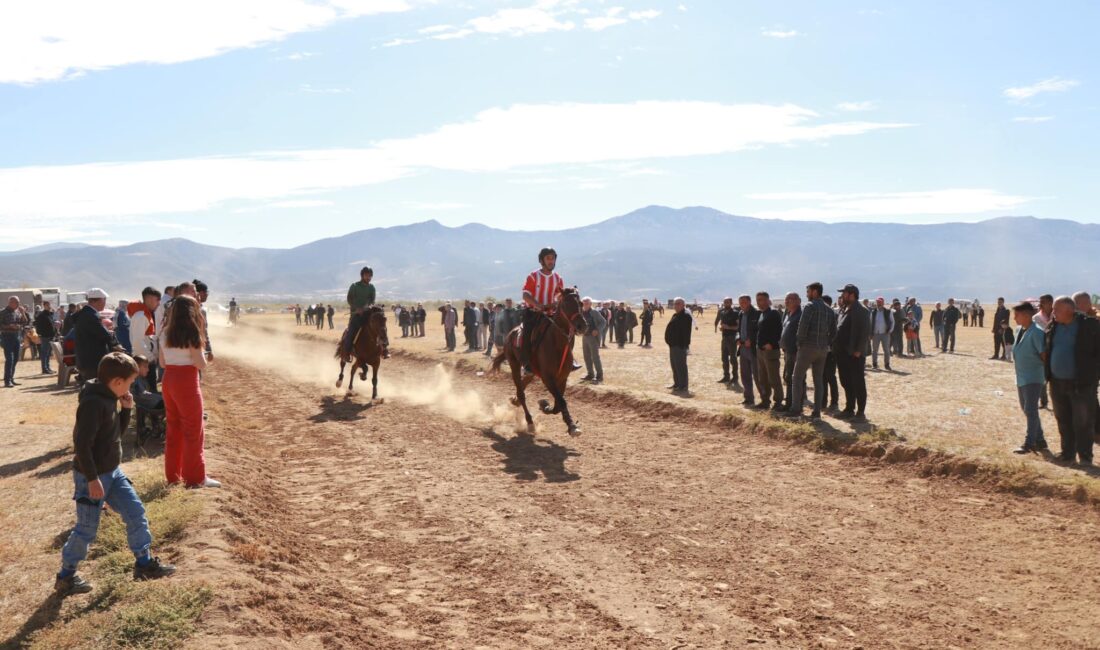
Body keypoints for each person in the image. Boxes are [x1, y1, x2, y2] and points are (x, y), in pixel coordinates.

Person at [55, 352, 176, 596]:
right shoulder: (93, 404)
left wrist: (126, 410)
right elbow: (81, 445)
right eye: (131, 382)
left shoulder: (111, 397)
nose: (133, 386)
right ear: (118, 382)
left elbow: (114, 437)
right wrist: (91, 479)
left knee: (136, 512)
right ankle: (66, 576)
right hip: (93, 477)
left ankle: (143, 564)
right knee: (87, 529)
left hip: (113, 473)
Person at [159, 295, 219, 487]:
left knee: (173, 428)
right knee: (193, 430)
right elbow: (200, 364)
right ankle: (196, 478)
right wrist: (205, 358)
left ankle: (173, 477)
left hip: (169, 379)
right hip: (187, 381)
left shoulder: (164, 332)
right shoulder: (191, 333)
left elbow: (161, 362)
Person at [1045, 295, 1100, 467]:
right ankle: (1067, 454)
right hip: (1057, 382)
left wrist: (1093, 376)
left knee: (1083, 421)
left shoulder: (1089, 326)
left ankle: (1085, 457)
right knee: (1063, 419)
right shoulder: (1053, 326)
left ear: (1070, 310)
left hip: (1081, 384)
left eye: (1057, 309)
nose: (1053, 312)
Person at [787, 283, 836, 419]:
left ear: (815, 292)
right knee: (818, 380)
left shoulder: (810, 306)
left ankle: (796, 409)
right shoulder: (829, 310)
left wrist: (799, 344)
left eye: (808, 291)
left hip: (808, 347)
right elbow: (834, 332)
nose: (807, 294)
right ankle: (817, 412)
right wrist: (826, 343)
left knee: (796, 377)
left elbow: (802, 327)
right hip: (823, 349)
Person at [520, 247, 565, 376]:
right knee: (527, 333)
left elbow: (559, 296)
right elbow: (526, 295)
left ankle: (569, 360)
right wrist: (539, 305)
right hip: (533, 313)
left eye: (553, 258)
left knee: (566, 332)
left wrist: (556, 303)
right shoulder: (533, 276)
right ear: (541, 261)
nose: (551, 261)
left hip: (551, 314)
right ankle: (527, 364)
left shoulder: (558, 278)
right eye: (548, 258)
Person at [1010, 302, 1048, 454]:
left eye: (1017, 315)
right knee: (1026, 409)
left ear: (1026, 315)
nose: (1014, 318)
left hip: (1033, 377)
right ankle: (1040, 440)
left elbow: (1044, 356)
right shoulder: (1019, 330)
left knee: (1030, 410)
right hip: (1021, 377)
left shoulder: (1038, 333)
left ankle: (1029, 443)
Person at [834, 284, 870, 422]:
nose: (842, 296)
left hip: (854, 354)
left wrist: (858, 350)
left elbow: (864, 332)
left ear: (852, 295)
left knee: (858, 382)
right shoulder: (844, 309)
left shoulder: (861, 310)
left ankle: (860, 413)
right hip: (842, 353)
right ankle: (849, 409)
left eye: (844, 293)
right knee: (846, 381)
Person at [74, 288, 124, 383]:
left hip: (86, 359)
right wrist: (116, 344)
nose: (105, 303)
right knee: (94, 390)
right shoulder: (90, 315)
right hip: (92, 360)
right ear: (97, 301)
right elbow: (104, 335)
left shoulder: (86, 313)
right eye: (104, 300)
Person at [344, 267, 389, 358]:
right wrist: (357, 308)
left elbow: (372, 301)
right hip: (356, 315)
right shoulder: (354, 286)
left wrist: (369, 306)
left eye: (370, 276)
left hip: (367, 314)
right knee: (351, 332)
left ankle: (384, 349)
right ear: (362, 275)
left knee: (381, 327)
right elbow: (349, 299)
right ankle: (347, 353)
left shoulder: (372, 287)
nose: (368, 277)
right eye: (366, 275)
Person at [129, 287, 161, 393]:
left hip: (145, 359)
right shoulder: (141, 316)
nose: (158, 303)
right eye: (157, 300)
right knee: (148, 392)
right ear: (150, 299)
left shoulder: (144, 314)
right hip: (144, 361)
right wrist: (151, 358)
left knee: (148, 390)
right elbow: (138, 342)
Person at [755, 292, 783, 410]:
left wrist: (771, 344)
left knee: (773, 378)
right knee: (763, 378)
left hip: (770, 351)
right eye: (757, 300)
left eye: (761, 300)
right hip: (760, 351)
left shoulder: (773, 313)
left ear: (767, 300)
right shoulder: (762, 314)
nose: (759, 302)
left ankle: (778, 402)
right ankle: (765, 400)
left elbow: (779, 330)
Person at [131, 354, 166, 444]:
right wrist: (160, 397)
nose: (148, 369)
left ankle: (158, 427)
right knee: (172, 403)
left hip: (149, 403)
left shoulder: (140, 378)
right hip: (148, 404)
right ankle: (161, 427)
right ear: (137, 367)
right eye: (145, 367)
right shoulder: (136, 379)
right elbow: (143, 394)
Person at [780, 291, 804, 410]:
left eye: (790, 299)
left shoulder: (800, 315)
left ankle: (796, 404)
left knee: (795, 378)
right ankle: (789, 402)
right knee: (788, 377)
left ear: (798, 301)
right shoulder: (788, 314)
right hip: (787, 351)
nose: (787, 301)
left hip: (795, 352)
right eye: (786, 299)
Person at [736, 294, 760, 406]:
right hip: (743, 348)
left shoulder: (757, 313)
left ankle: (765, 400)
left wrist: (752, 340)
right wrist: (738, 339)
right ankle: (748, 398)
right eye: (740, 302)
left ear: (750, 302)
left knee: (757, 375)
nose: (742, 304)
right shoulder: (741, 314)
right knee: (745, 375)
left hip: (753, 349)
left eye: (744, 302)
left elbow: (759, 331)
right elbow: (738, 330)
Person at [2, 296, 30, 387]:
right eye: (16, 302)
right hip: (7, 337)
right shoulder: (2, 312)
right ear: (10, 302)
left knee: (16, 359)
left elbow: (25, 322)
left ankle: (11, 378)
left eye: (18, 302)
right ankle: (7, 381)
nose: (18, 304)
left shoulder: (17, 312)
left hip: (16, 337)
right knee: (10, 359)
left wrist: (23, 313)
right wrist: (9, 326)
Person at [665, 297, 692, 394]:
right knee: (674, 365)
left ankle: (683, 386)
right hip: (673, 345)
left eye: (678, 303)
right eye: (675, 304)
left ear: (683, 305)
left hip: (680, 346)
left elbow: (686, 333)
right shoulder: (675, 315)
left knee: (681, 366)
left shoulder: (686, 316)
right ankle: (676, 383)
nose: (675, 305)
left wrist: (684, 346)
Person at [821, 295, 841, 411]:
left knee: (830, 377)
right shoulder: (822, 315)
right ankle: (823, 401)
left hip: (831, 352)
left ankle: (834, 402)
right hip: (821, 350)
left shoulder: (834, 315)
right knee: (822, 377)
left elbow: (835, 334)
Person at [580, 297, 607, 384]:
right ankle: (590, 374)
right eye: (584, 303)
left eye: (587, 303)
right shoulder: (581, 312)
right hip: (585, 337)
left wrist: (597, 330)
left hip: (593, 337)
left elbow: (603, 322)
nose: (585, 304)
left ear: (590, 304)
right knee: (586, 356)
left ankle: (599, 376)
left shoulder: (594, 312)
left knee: (595, 356)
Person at [715, 297, 740, 385]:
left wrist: (729, 327)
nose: (726, 304)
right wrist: (722, 328)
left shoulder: (735, 313)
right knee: (724, 358)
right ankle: (726, 376)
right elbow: (722, 323)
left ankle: (735, 377)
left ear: (731, 303)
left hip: (732, 338)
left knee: (733, 359)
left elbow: (738, 327)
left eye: (727, 302)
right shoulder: (722, 312)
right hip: (724, 338)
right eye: (725, 302)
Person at [869, 297, 894, 371]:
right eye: (877, 302)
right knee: (874, 350)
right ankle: (874, 364)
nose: (878, 303)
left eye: (880, 302)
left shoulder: (888, 311)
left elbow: (892, 322)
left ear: (883, 303)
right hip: (875, 334)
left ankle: (887, 364)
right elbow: (870, 323)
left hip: (885, 334)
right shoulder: (873, 312)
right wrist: (870, 333)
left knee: (886, 350)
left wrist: (890, 330)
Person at [35, 300, 58, 374]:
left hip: (51, 336)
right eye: (47, 305)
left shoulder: (49, 314)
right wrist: (40, 334)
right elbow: (38, 325)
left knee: (48, 353)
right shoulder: (42, 315)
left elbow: (52, 323)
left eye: (49, 305)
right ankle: (44, 368)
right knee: (44, 353)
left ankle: (47, 367)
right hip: (45, 336)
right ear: (44, 305)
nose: (49, 306)